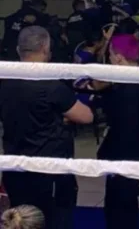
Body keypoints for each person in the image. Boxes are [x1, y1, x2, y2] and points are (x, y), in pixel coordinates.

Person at [0, 26, 93, 229]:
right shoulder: (49, 84)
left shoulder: (5, 81)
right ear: (45, 49)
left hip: (15, 165)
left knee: (21, 220)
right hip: (49, 170)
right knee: (54, 219)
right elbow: (86, 116)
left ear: (18, 50)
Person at [94, 34, 139, 229]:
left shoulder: (124, 88)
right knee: (127, 201)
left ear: (119, 57)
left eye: (111, 56)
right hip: (138, 147)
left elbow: (121, 121)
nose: (110, 60)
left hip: (121, 150)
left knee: (117, 203)